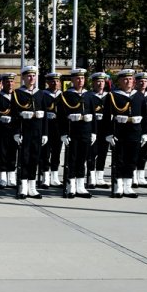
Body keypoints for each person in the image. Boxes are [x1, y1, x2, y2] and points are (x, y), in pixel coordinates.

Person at [103, 69, 147, 198]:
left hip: (135, 131)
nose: (128, 81)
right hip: (120, 131)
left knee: (132, 159)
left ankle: (128, 186)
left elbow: (145, 116)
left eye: (130, 79)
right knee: (119, 159)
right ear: (119, 81)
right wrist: (108, 133)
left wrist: (146, 133)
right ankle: (119, 186)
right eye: (125, 79)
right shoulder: (113, 96)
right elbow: (107, 117)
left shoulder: (139, 95)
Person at [57, 68, 96, 198]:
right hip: (72, 132)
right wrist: (63, 133)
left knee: (83, 159)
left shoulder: (89, 95)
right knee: (72, 159)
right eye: (78, 78)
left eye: (83, 78)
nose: (80, 81)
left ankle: (80, 186)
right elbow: (61, 117)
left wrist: (94, 132)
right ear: (72, 80)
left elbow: (94, 115)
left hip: (86, 131)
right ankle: (71, 185)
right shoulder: (66, 95)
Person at [11, 65, 48, 199]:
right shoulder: (17, 94)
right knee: (24, 159)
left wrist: (45, 133)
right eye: (29, 76)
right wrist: (16, 132)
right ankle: (23, 187)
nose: (31, 78)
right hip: (24, 131)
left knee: (34, 159)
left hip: (37, 131)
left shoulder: (40, 94)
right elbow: (14, 115)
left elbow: (45, 116)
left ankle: (32, 187)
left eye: (33, 75)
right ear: (24, 78)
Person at [85, 72, 110, 189]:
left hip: (105, 128)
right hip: (93, 128)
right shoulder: (89, 96)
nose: (100, 84)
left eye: (102, 81)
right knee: (91, 153)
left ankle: (100, 177)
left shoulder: (109, 96)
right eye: (98, 81)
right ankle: (91, 177)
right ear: (93, 83)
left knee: (103, 153)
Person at [131, 72, 147, 189]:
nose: (143, 83)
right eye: (141, 81)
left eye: (145, 81)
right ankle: (133, 176)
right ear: (136, 82)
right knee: (134, 153)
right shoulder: (133, 96)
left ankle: (141, 176)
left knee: (143, 154)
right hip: (135, 128)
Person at [39, 72, 63, 189]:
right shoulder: (43, 94)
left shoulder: (62, 95)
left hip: (58, 128)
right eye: (52, 81)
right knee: (45, 153)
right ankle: (45, 177)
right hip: (47, 128)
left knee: (57, 153)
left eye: (57, 81)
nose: (55, 83)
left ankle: (54, 177)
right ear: (48, 82)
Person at [0, 73, 18, 187]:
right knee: (3, 153)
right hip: (2, 129)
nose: (10, 84)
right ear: (3, 83)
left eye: (11, 81)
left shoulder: (17, 96)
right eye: (7, 82)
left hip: (14, 129)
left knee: (13, 153)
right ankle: (3, 178)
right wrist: (0, 118)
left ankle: (12, 177)